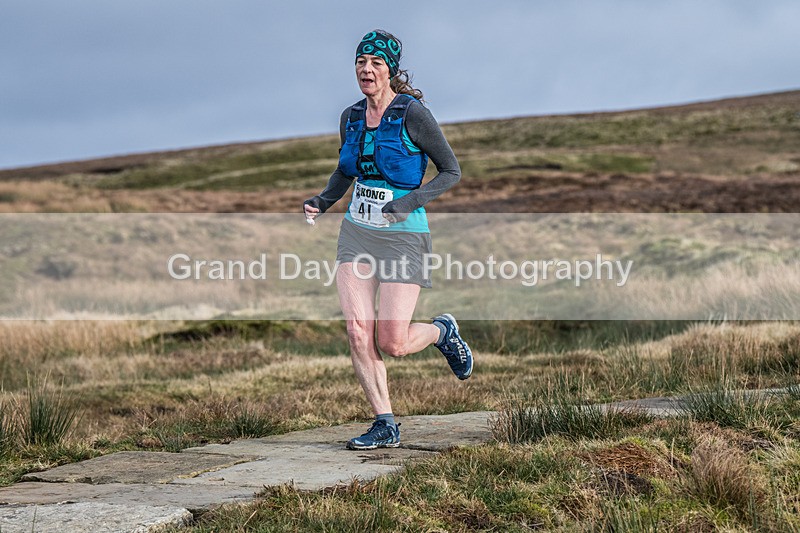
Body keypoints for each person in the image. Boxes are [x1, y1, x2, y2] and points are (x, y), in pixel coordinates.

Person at [303, 29, 472, 450]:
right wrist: (323, 200)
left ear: (390, 70)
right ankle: (385, 423)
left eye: (376, 63)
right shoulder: (351, 117)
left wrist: (407, 202)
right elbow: (346, 169)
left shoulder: (412, 113)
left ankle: (441, 332)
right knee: (358, 330)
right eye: (361, 62)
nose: (366, 69)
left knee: (391, 341)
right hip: (356, 233)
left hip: (403, 236)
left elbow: (451, 171)